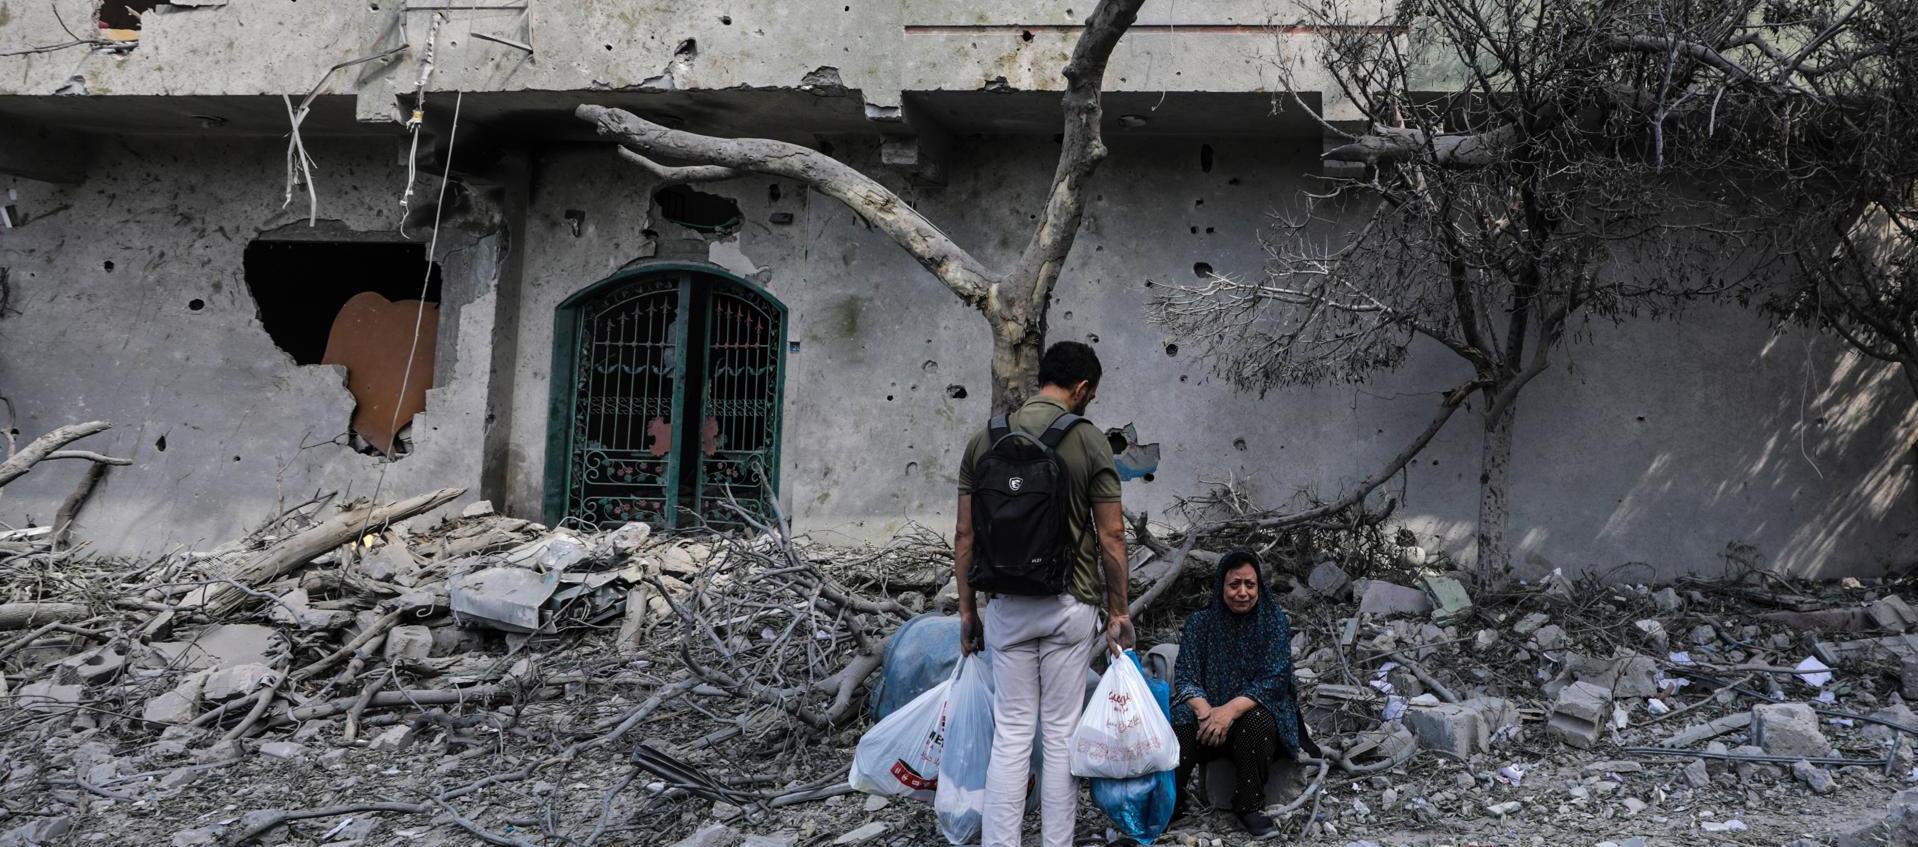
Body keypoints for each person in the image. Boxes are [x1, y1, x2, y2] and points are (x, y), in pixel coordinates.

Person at [954, 340, 1133, 847]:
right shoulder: (1089, 441)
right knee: (1059, 734)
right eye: (1090, 394)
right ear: (1081, 388)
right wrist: (1118, 611)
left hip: (1006, 606)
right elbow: (1112, 537)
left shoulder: (983, 439)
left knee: (1011, 733)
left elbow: (965, 536)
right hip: (1069, 605)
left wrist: (968, 611)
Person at [1170, 549, 1318, 837]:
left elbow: (1275, 680)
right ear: (1220, 586)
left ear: (1259, 586)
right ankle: (1171, 802)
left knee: (1258, 722)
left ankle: (1248, 804)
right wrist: (1205, 712)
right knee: (1179, 719)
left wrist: (1230, 711)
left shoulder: (1273, 621)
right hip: (1208, 720)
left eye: (1249, 585)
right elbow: (1186, 675)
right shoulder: (1201, 623)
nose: (1242, 592)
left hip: (1252, 714)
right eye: (1234, 584)